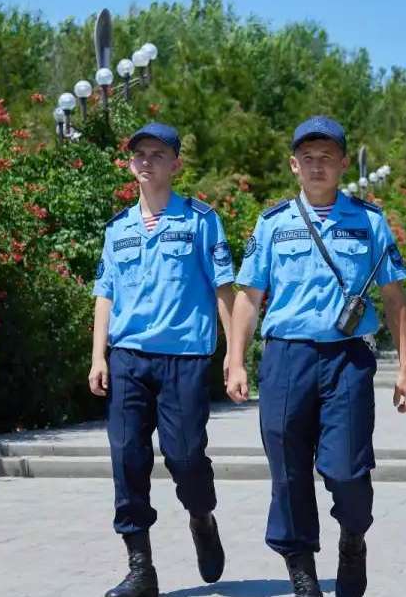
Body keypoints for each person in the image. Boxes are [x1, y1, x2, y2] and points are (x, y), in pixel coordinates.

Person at [225, 116, 406, 597]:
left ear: (343, 164)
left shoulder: (369, 222)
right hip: (286, 358)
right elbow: (249, 296)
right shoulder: (272, 223)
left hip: (346, 360)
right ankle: (301, 567)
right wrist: (236, 358)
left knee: (347, 470)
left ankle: (353, 538)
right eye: (307, 157)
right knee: (287, 470)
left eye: (326, 157)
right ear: (294, 165)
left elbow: (395, 299)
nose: (316, 166)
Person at [88, 122, 234, 597]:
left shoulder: (200, 220)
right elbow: (105, 293)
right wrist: (98, 356)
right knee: (127, 456)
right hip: (128, 357)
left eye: (157, 154)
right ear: (130, 164)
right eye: (139, 154)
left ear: (176, 164)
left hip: (184, 358)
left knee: (186, 457)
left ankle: (201, 517)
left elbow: (224, 290)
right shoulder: (118, 229)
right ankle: (140, 568)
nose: (146, 161)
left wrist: (235, 355)